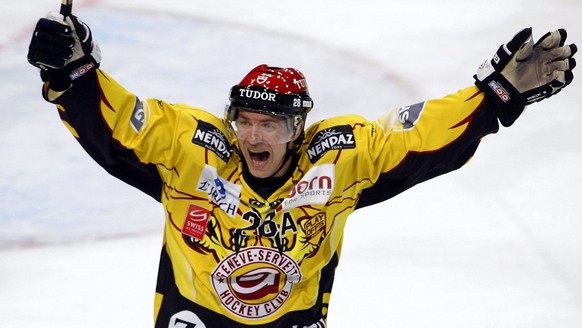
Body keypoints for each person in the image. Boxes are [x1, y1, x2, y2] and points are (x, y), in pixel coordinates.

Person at [27, 10, 576, 328]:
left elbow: (421, 135)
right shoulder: (191, 150)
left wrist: (495, 94)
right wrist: (74, 73)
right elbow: (121, 126)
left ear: (298, 129)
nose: (254, 135)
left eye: (271, 124)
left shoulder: (339, 159)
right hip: (193, 319)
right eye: (245, 120)